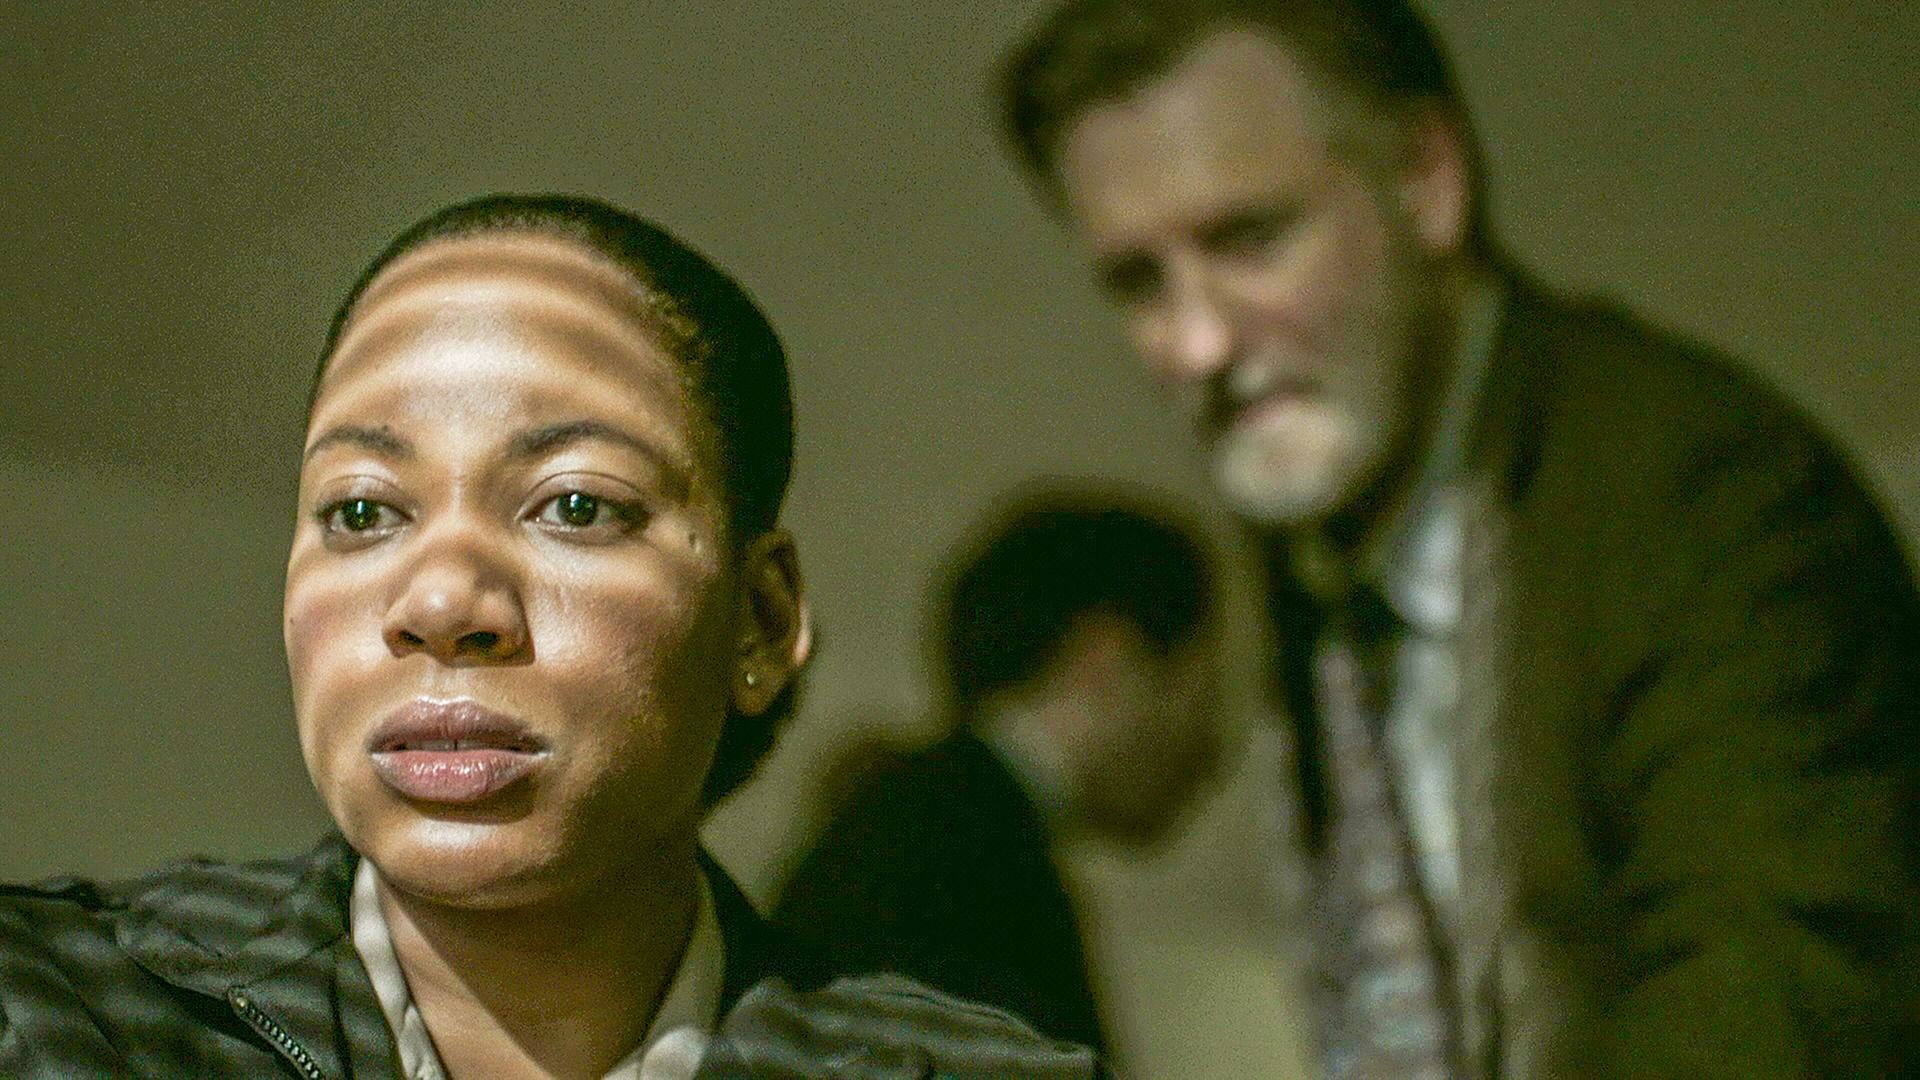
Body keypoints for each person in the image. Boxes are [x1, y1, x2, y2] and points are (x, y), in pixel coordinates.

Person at [995, 2, 1920, 1077]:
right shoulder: (1314, 537)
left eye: (1249, 238)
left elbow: (1783, 1015)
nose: (1197, 344)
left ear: (1427, 180)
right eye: (1136, 282)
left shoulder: (1711, 497)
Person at [0, 194, 1104, 1080]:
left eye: (576, 505)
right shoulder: (55, 1018)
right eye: (362, 510)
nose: (441, 603)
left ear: (762, 621)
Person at [775, 491, 1221, 1054]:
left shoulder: (929, 823)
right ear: (1105, 665)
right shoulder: (975, 866)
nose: (1209, 749)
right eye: (1199, 693)